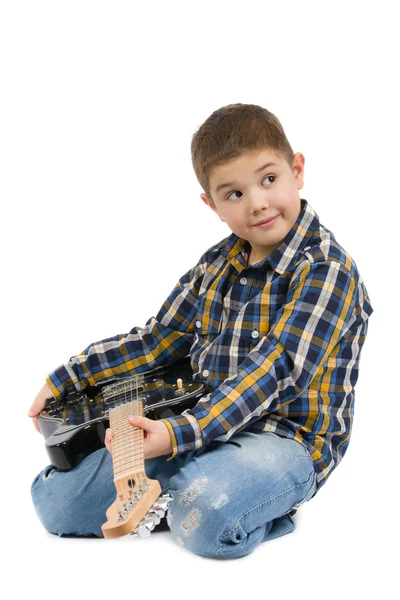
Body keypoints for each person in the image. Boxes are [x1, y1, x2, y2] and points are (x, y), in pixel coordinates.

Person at [29, 103, 374, 559]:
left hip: (282, 439)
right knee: (54, 502)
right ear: (211, 204)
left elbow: (275, 370)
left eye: (269, 179)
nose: (257, 203)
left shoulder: (327, 270)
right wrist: (69, 376)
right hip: (197, 421)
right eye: (233, 194)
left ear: (297, 170)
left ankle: (238, 495)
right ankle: (192, 477)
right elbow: (158, 339)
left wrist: (176, 436)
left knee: (208, 517)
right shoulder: (217, 263)